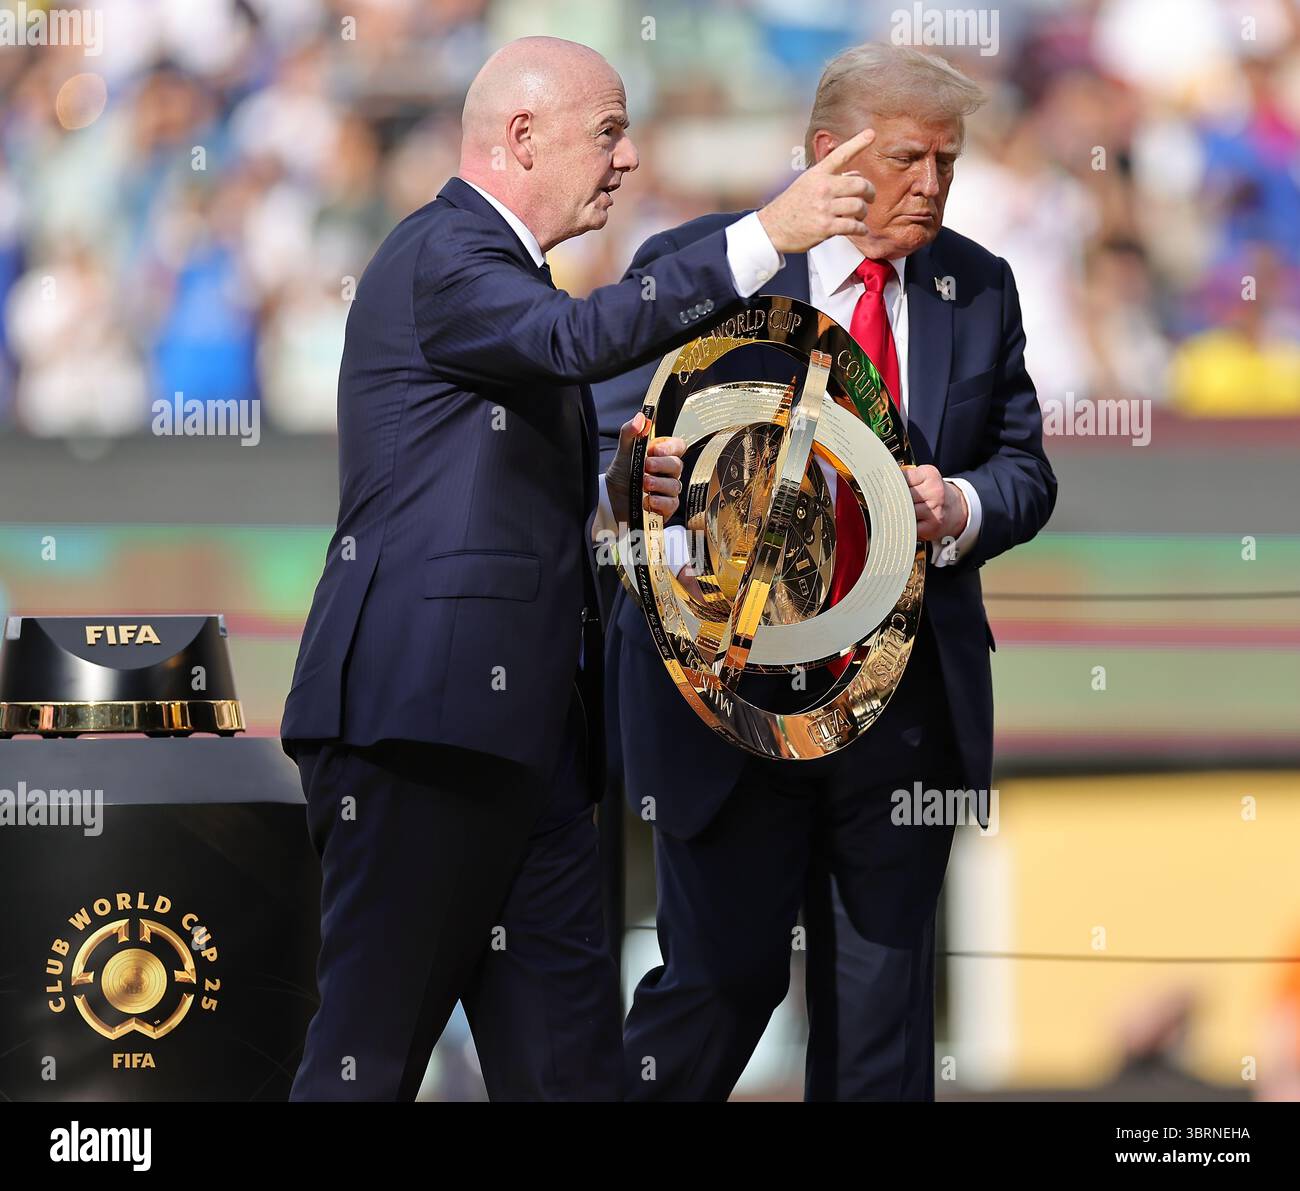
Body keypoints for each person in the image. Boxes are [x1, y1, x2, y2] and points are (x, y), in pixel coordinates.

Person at [280, 35, 876, 1101]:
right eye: (606, 131)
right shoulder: (444, 254)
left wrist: (605, 504)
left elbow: (487, 475)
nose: (628, 159)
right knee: (367, 1058)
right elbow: (581, 339)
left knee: (568, 1074)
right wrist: (766, 235)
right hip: (424, 734)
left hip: (534, 750)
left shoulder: (495, 279)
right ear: (520, 136)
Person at [592, 42, 1058, 1100]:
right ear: (826, 153)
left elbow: (1025, 469)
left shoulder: (975, 284)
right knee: (720, 985)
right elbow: (600, 445)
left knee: (883, 1015)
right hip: (728, 702)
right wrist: (661, 502)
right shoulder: (702, 261)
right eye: (906, 158)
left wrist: (963, 505)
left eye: (948, 160)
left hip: (901, 709)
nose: (931, 185)